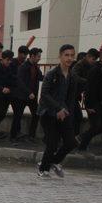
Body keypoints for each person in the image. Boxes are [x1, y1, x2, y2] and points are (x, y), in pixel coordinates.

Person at [37, 44, 79, 178]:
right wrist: (58, 108)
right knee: (52, 143)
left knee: (71, 142)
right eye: (66, 55)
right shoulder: (52, 74)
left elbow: (71, 98)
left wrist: (67, 113)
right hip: (48, 114)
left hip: (64, 114)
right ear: (60, 56)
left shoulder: (72, 76)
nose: (69, 58)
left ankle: (53, 162)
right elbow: (44, 94)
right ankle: (43, 169)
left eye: (72, 55)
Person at [78, 45, 102, 155]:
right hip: (93, 101)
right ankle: (82, 147)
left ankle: (81, 137)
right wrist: (88, 105)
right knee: (95, 126)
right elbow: (89, 88)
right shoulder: (96, 68)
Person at [12, 48, 44, 142]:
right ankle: (13, 136)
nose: (39, 58)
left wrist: (51, 78)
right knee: (18, 116)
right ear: (32, 56)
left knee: (36, 115)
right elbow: (20, 81)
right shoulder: (23, 67)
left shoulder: (36, 67)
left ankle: (31, 136)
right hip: (21, 96)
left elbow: (40, 77)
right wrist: (28, 92)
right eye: (38, 56)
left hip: (32, 97)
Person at [72, 48, 100, 135]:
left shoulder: (90, 66)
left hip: (75, 95)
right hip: (70, 95)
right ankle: (72, 138)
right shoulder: (79, 65)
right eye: (93, 59)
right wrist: (87, 81)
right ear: (88, 56)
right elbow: (74, 77)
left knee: (76, 117)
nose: (94, 61)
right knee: (76, 116)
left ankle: (73, 138)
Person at [8, 46, 29, 142]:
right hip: (13, 92)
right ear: (19, 53)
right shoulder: (13, 63)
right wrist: (18, 78)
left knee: (18, 114)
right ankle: (13, 135)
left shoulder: (24, 64)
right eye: (24, 54)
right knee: (17, 114)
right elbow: (10, 75)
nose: (25, 56)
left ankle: (16, 132)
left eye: (26, 55)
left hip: (20, 92)